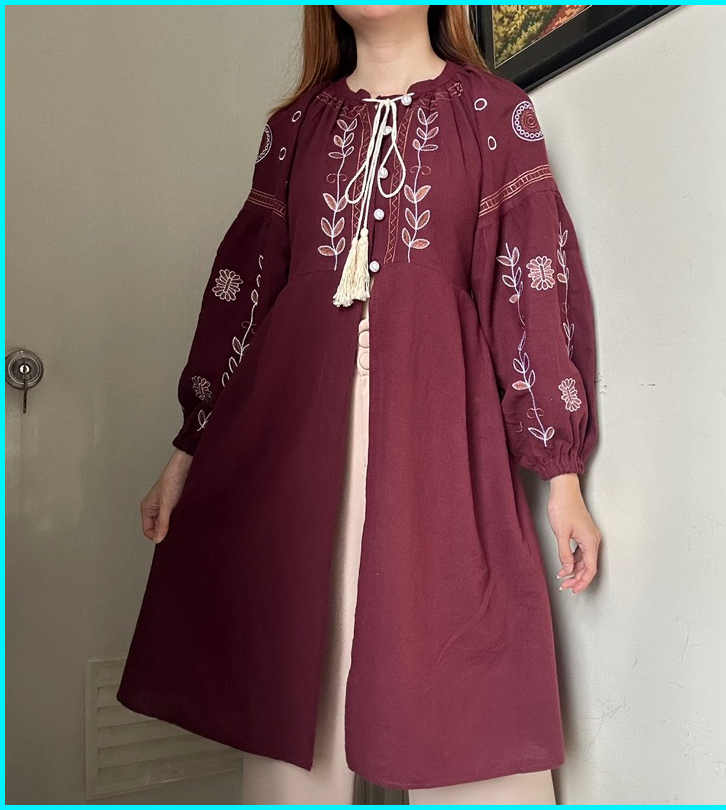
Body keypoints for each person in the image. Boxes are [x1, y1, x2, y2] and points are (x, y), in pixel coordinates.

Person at [118, 4, 603, 805]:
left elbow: (529, 288)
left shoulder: (495, 114)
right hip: (295, 447)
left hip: (435, 435)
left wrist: (562, 476)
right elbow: (243, 296)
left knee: (456, 666)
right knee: (293, 671)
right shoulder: (294, 128)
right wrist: (186, 448)